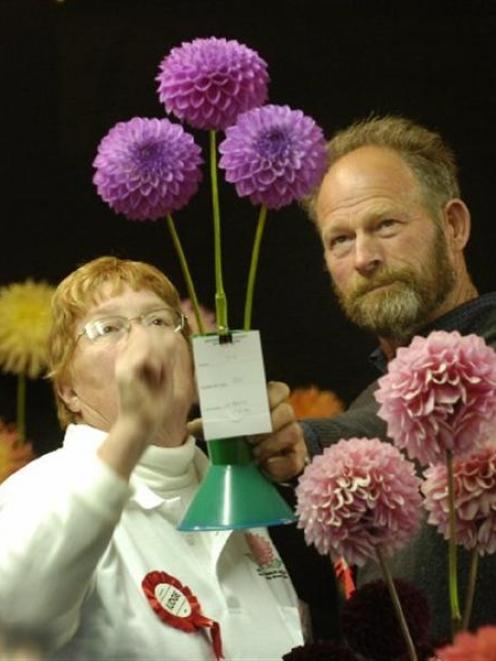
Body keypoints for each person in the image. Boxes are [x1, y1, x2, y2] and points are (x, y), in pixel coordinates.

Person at [253, 115, 496, 640]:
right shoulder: (372, 399)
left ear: (453, 225)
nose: (364, 257)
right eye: (340, 239)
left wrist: (311, 440)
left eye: (386, 225)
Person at [0, 256, 305, 660]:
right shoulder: (39, 492)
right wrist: (133, 430)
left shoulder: (228, 488)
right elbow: (12, 625)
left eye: (160, 321)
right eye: (108, 329)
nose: (145, 341)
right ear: (68, 390)